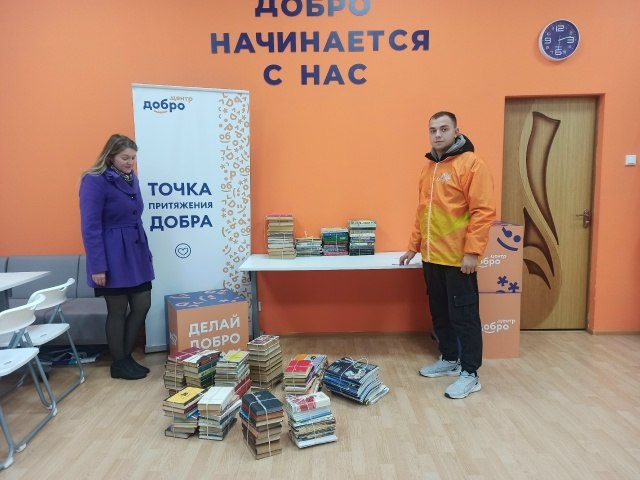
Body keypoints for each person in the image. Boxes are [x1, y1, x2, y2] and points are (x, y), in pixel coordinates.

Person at [400, 111, 496, 399]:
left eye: (444, 129)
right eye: (433, 130)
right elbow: (423, 213)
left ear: (456, 131)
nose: (438, 134)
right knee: (440, 313)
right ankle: (450, 359)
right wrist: (413, 247)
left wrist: (472, 252)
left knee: (464, 317)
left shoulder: (472, 164)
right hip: (432, 258)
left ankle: (470, 373)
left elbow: (483, 212)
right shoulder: (428, 169)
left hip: (458, 260)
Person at [79, 134, 155, 380]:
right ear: (110, 156)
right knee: (117, 310)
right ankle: (120, 362)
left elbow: (135, 216)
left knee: (143, 304)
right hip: (112, 255)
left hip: (135, 252)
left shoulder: (131, 178)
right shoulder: (94, 180)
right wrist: (98, 266)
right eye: (125, 157)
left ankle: (125, 357)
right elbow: (90, 227)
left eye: (133, 157)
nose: (130, 162)